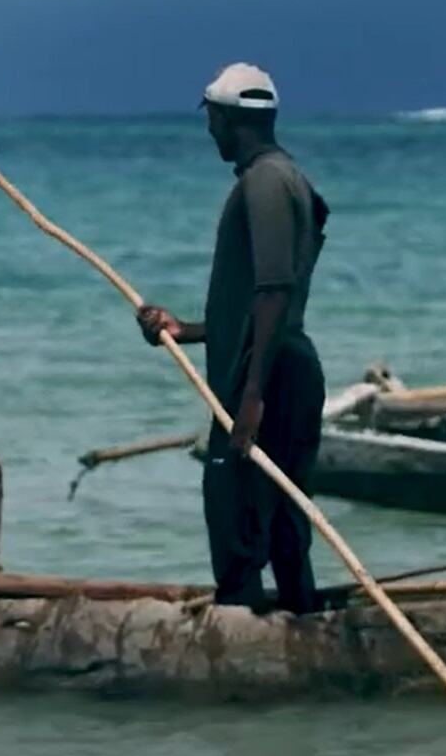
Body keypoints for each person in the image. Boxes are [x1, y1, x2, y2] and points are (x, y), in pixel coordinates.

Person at [134, 63, 330, 613]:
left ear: (227, 118)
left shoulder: (264, 182)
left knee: (237, 523)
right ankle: (300, 633)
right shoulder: (288, 177)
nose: (210, 132)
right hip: (283, 363)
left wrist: (250, 396)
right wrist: (186, 330)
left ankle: (244, 650)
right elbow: (259, 303)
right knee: (286, 525)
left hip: (267, 373)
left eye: (213, 119)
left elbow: (274, 291)